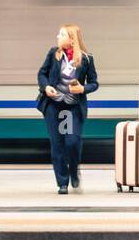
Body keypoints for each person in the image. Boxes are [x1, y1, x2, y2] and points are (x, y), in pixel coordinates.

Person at [37, 24, 98, 195]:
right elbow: (41, 74)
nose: (57, 36)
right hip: (54, 106)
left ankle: (73, 172)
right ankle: (62, 182)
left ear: (72, 39)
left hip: (73, 107)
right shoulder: (53, 54)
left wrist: (83, 89)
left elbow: (94, 83)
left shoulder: (86, 59)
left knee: (72, 142)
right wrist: (46, 87)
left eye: (61, 34)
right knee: (57, 144)